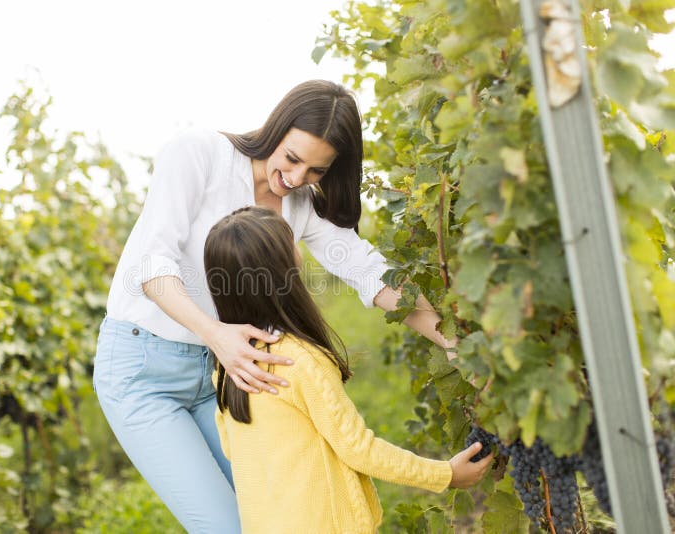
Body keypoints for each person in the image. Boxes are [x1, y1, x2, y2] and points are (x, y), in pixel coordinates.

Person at [93, 80, 461, 533]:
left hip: (221, 370)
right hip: (143, 369)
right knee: (226, 527)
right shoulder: (198, 155)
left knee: (270, 516)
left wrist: (450, 337)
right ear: (276, 128)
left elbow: (367, 271)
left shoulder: (300, 203)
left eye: (316, 171)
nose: (296, 178)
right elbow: (151, 266)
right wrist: (215, 334)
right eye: (292, 158)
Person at [205, 206, 492, 534]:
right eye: (290, 243)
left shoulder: (229, 367)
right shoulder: (299, 360)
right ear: (283, 270)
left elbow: (233, 448)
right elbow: (358, 449)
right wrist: (445, 474)